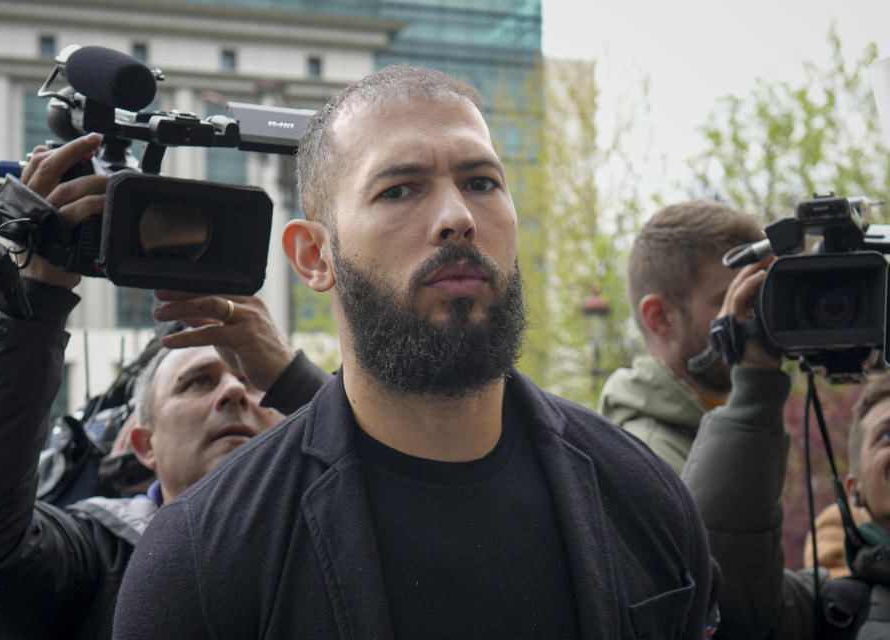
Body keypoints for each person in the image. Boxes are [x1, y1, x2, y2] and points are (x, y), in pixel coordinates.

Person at [113, 65, 716, 639]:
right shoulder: (201, 558)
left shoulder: (644, 495)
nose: (458, 218)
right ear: (314, 256)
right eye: (400, 189)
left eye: (481, 183)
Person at [0, 134, 331, 639]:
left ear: (292, 424)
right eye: (197, 382)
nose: (233, 393)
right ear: (145, 445)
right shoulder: (96, 560)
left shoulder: (346, 533)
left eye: (254, 382)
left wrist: (291, 377)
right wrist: (32, 299)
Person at [682, 259, 890, 638]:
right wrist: (755, 384)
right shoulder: (826, 613)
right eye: (887, 436)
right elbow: (728, 595)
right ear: (853, 490)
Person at [599, 201, 764, 472]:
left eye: (756, 296)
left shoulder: (718, 425)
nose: (752, 316)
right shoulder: (649, 460)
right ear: (660, 318)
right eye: (730, 299)